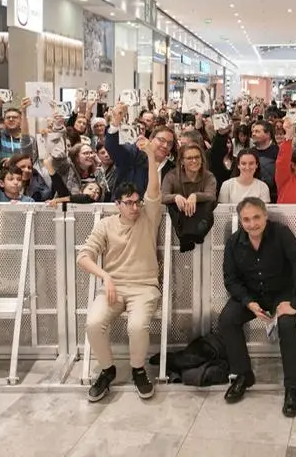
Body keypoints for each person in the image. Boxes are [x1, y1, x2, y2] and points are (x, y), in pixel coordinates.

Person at [79, 140, 165, 402]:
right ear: (117, 204)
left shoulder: (148, 217)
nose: (134, 207)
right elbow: (84, 256)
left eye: (137, 202)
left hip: (144, 286)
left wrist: (151, 155)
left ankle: (139, 370)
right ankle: (107, 370)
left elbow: (153, 188)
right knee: (93, 323)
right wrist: (105, 276)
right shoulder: (105, 225)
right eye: (128, 203)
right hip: (113, 286)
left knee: (137, 326)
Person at [219, 197, 296, 417]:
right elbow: (231, 279)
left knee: (287, 325)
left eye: (256, 217)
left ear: (265, 216)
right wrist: (248, 302)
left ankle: (292, 387)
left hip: (282, 294)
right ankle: (243, 375)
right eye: (246, 219)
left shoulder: (281, 234)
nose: (252, 224)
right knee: (227, 319)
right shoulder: (233, 243)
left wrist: (295, 303)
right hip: (252, 295)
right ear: (240, 221)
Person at [105, 104, 176, 199]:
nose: (165, 146)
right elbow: (114, 148)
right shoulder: (135, 154)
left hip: (158, 211)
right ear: (151, 139)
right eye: (161, 140)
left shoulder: (172, 168)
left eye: (169, 143)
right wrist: (115, 123)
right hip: (128, 208)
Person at [162, 143, 217, 251]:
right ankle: (185, 238)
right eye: (189, 158)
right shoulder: (171, 176)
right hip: (176, 229)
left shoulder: (208, 176)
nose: (194, 161)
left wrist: (195, 196)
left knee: (207, 204)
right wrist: (175, 197)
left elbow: (212, 196)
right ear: (182, 161)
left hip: (203, 228)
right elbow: (162, 197)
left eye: (197, 157)